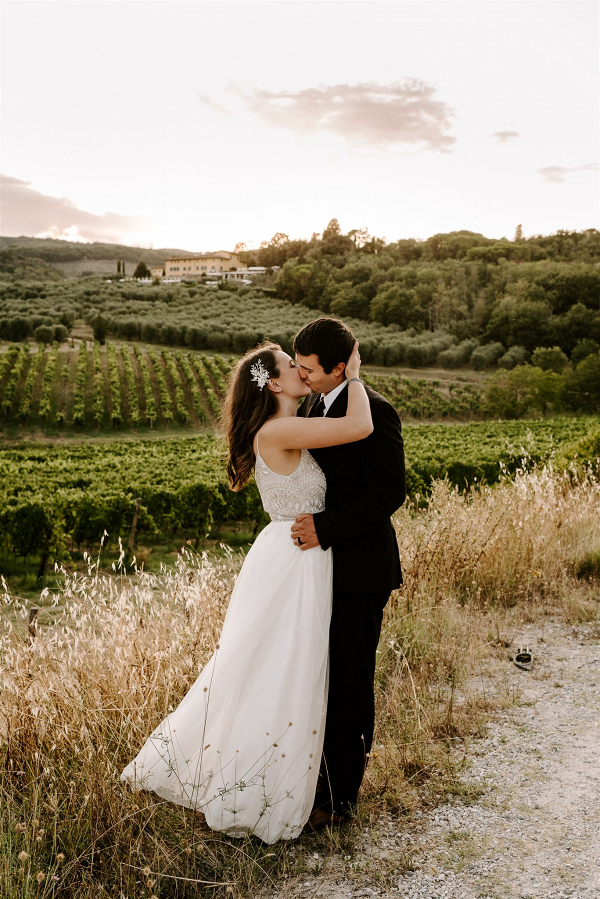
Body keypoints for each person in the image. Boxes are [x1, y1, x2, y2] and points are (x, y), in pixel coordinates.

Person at [120, 340, 372, 844]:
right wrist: (356, 376)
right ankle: (258, 785)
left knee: (275, 667)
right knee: (282, 668)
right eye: (290, 367)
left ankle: (271, 777)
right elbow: (358, 427)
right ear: (275, 385)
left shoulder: (279, 425)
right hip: (295, 559)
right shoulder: (278, 428)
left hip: (293, 553)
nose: (301, 371)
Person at [292, 317, 406, 829]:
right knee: (316, 677)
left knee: (349, 684)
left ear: (341, 367)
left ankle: (340, 801)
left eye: (310, 369)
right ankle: (308, 783)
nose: (302, 376)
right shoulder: (313, 404)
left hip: (360, 569)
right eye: (297, 366)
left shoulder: (377, 412)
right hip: (315, 570)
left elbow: (387, 495)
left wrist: (326, 528)